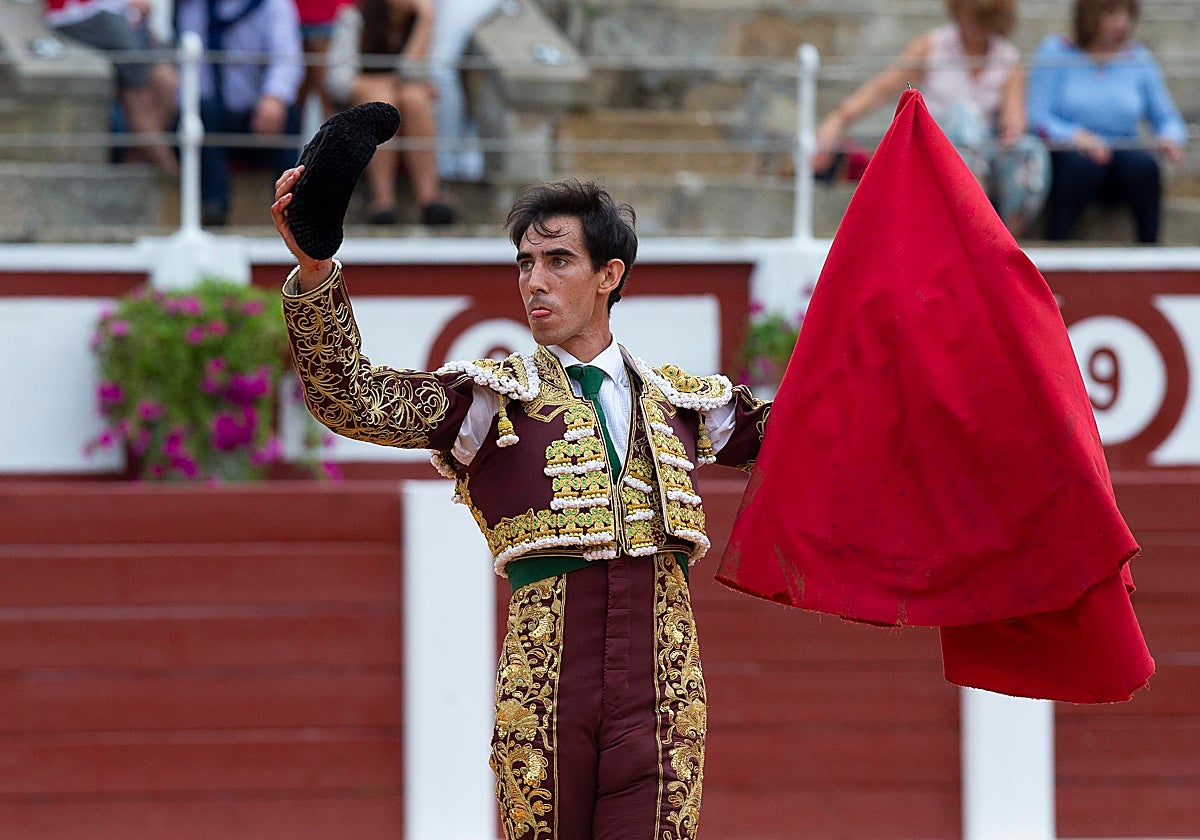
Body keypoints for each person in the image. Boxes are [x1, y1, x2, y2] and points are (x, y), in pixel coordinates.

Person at [271, 172, 770, 838]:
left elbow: (806, 438)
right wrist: (314, 269)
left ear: (608, 274)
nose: (534, 280)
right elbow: (352, 399)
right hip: (545, 699)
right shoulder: (491, 399)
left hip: (664, 701)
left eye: (558, 260)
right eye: (525, 263)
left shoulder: (682, 404)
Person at [813, 0, 1049, 236]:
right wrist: (838, 119)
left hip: (987, 156)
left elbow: (1014, 121)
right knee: (963, 117)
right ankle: (976, 228)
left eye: (986, 18)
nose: (977, 26)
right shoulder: (933, 46)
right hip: (938, 153)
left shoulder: (1007, 58)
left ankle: (1003, 240)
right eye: (973, 16)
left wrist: (1011, 131)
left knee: (1030, 152)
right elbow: (881, 89)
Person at [1027, 0, 1187, 244]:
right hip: (1071, 155)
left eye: (1126, 14)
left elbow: (1166, 118)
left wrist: (1170, 138)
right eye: (1111, 13)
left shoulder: (1138, 58)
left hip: (1122, 153)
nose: (1121, 23)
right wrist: (1076, 137)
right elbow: (1038, 116)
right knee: (1081, 168)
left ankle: (1151, 255)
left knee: (1145, 168)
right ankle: (1056, 245)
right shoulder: (1056, 51)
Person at [325, 0, 457, 225]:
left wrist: (425, 21)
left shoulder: (421, 23)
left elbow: (413, 73)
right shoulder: (354, 17)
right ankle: (382, 201)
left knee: (414, 99)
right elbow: (338, 80)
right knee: (383, 102)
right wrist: (387, 85)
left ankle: (429, 198)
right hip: (363, 107)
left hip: (404, 103)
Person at [174, 0, 305, 227]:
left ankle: (291, 207)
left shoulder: (272, 5)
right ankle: (214, 206)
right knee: (198, 113)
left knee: (288, 111)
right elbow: (189, 77)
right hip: (211, 122)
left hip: (258, 116)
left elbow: (287, 58)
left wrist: (274, 97)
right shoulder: (189, 6)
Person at [43, 0, 179, 176]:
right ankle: (174, 177)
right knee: (141, 105)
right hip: (86, 13)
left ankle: (138, 164)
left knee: (166, 83)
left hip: (124, 18)